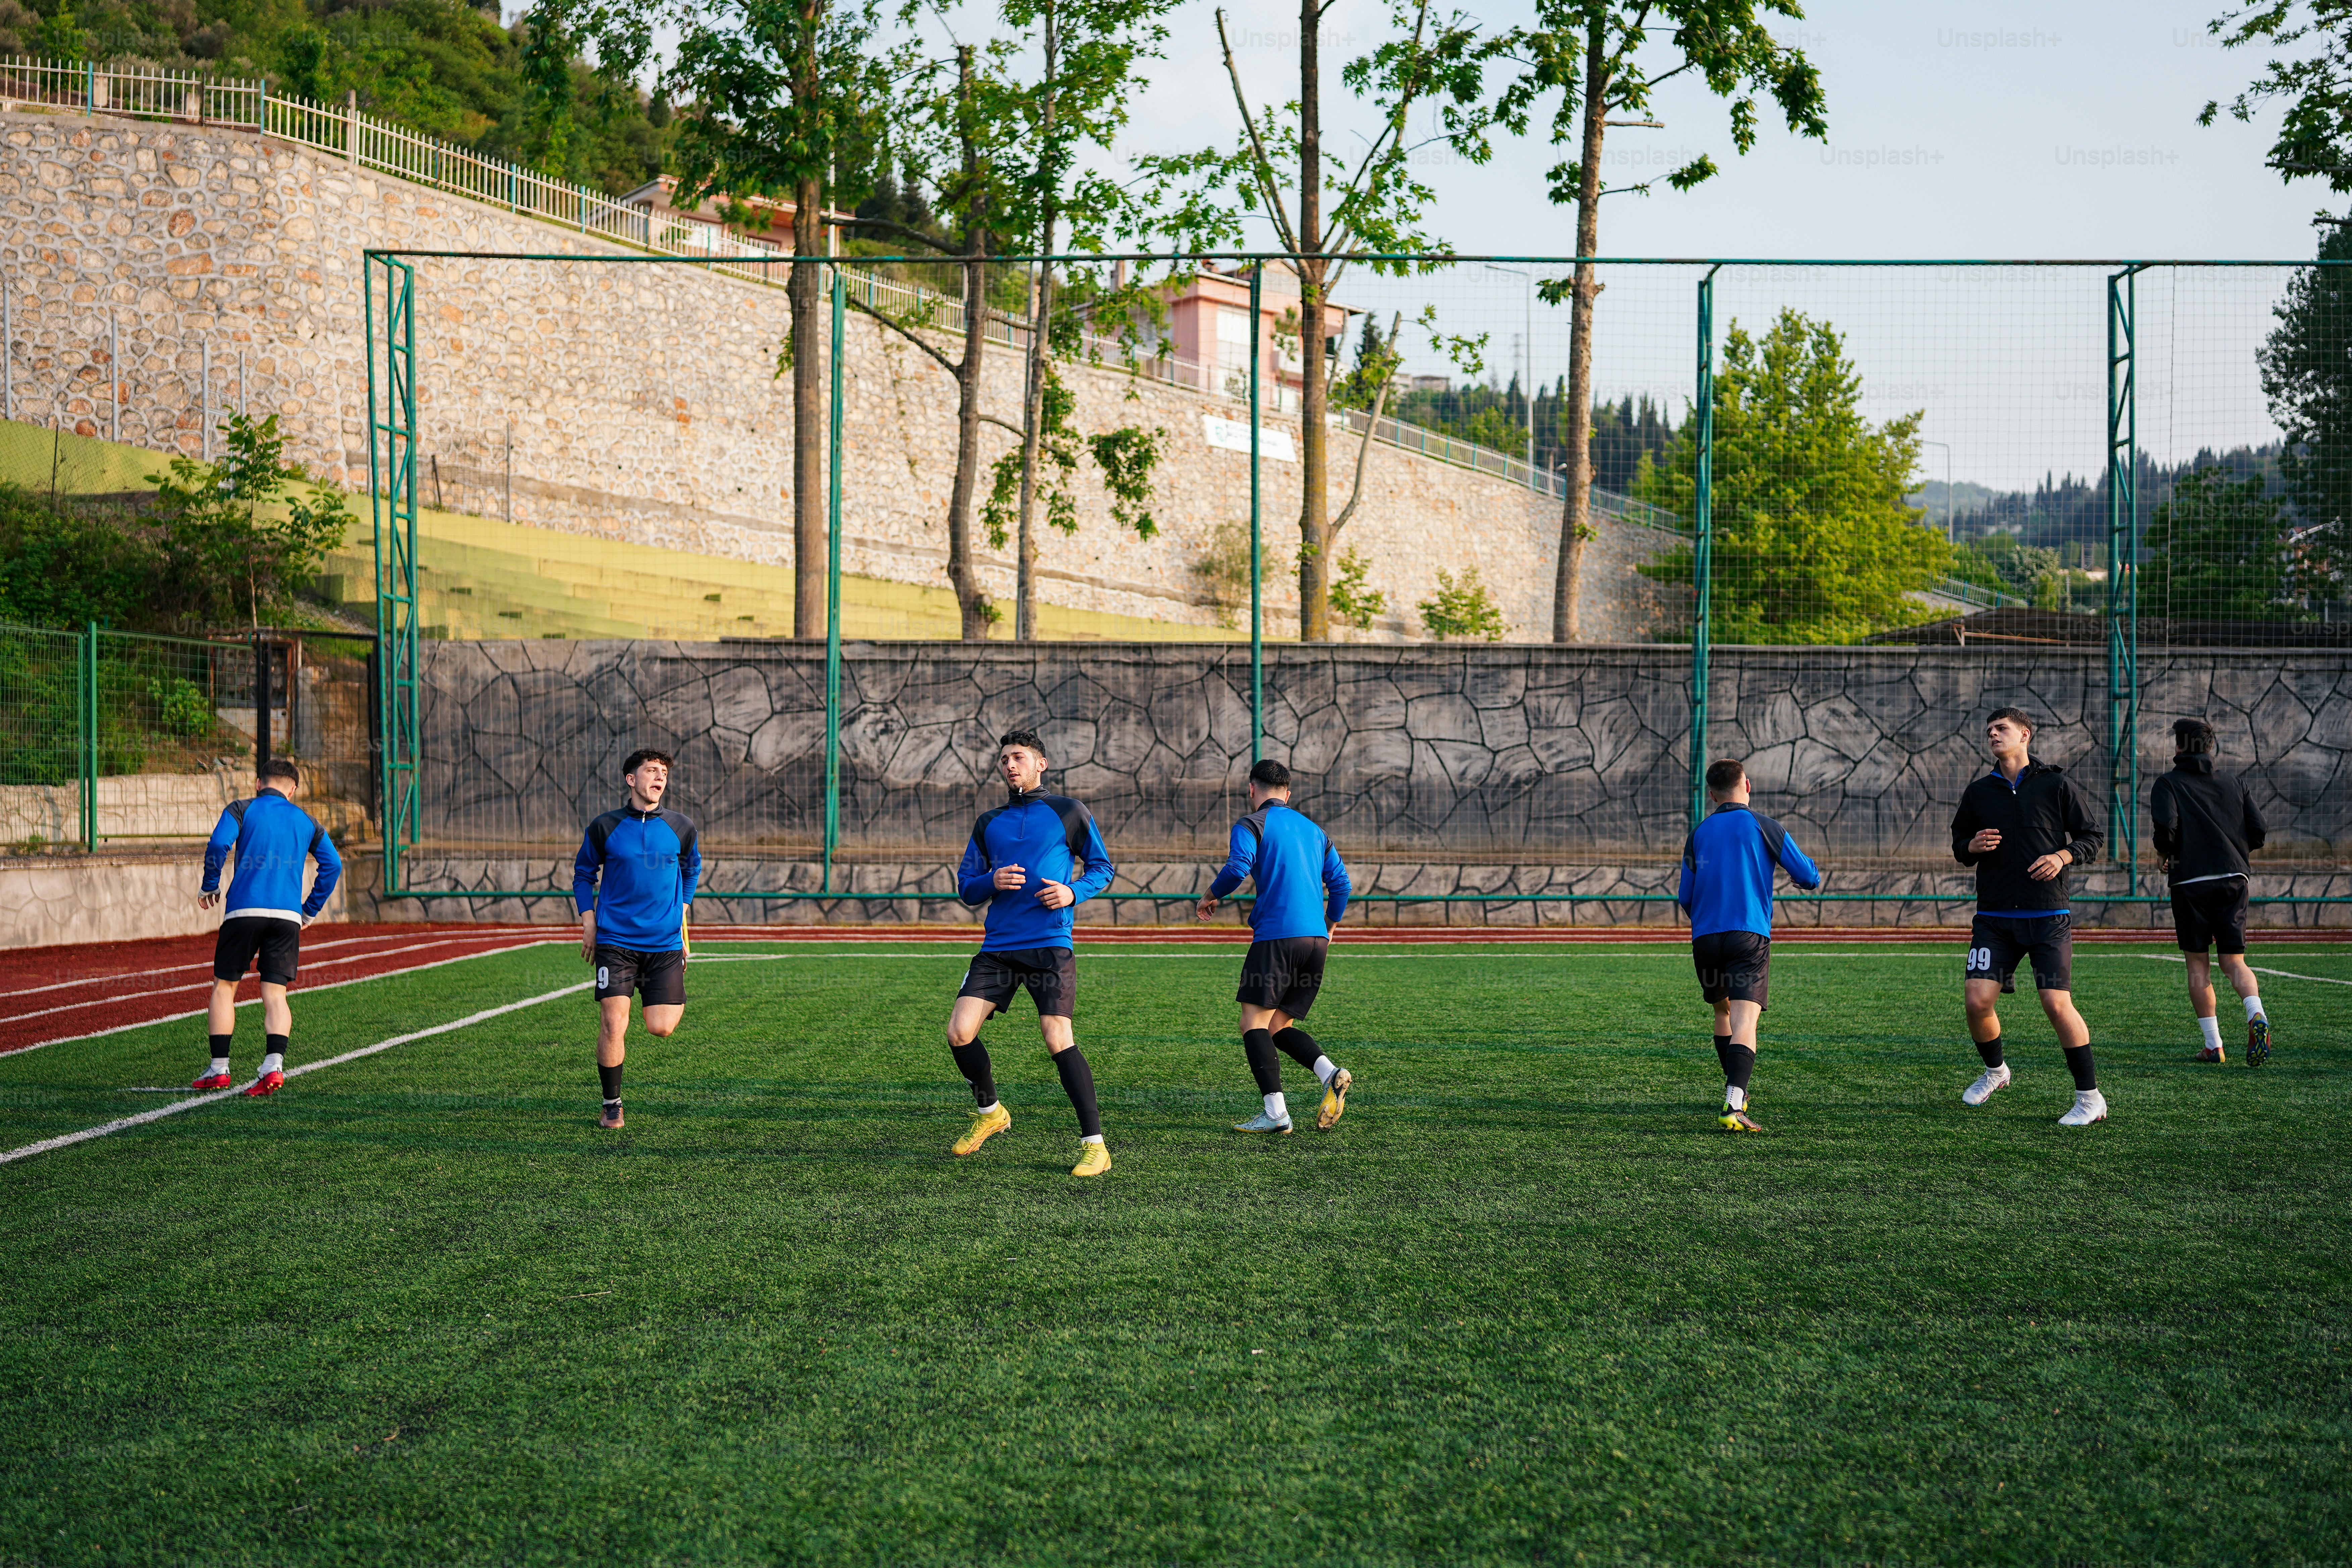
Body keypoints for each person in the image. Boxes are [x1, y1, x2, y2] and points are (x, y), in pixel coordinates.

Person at [946, 729, 1117, 1177]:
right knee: (960, 1033)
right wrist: (992, 881)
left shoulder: (1068, 812)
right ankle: (991, 1115)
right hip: (998, 947)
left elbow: (1102, 867)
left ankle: (1096, 1146)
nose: (1009, 765)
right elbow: (967, 887)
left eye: (1018, 757)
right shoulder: (989, 822)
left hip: (1049, 945)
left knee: (1057, 1036)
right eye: (1004, 759)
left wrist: (1072, 892)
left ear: (1041, 763)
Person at [1950, 707, 2108, 1126]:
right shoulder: (1980, 792)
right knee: (1976, 1001)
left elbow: (2093, 836)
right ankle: (1996, 1072)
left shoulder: (2056, 784)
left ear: (2025, 734)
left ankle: (2091, 1099)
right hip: (1995, 918)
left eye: (2001, 729)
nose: (1993, 735)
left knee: (2057, 1005)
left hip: (2048, 916)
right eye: (1989, 731)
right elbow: (1959, 843)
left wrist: (2063, 855)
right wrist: (1972, 846)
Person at [1195, 758, 1355, 1134]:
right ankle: (1330, 1073)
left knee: (1252, 1022)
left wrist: (1209, 894)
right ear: (1289, 793)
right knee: (1278, 1025)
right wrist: (1329, 927)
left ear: (1252, 789)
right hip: (1315, 942)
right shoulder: (1316, 831)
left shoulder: (1252, 823)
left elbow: (1237, 868)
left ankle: (1276, 1114)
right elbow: (1343, 885)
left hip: (1277, 939)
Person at [1675, 758, 1822, 1133]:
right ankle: (1734, 1104)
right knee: (1745, 1020)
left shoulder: (1699, 833)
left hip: (1705, 939)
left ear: (1711, 794)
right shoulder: (1765, 826)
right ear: (1748, 785)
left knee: (1722, 1013)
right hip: (1748, 937)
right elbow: (1809, 876)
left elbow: (1685, 897)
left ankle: (1735, 1089)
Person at [192, 757, 344, 1096]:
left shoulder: (242, 808)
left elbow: (219, 845)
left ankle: (219, 1069)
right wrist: (309, 910)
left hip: (244, 911)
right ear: (292, 790)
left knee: (225, 987)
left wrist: (211, 883)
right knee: (275, 993)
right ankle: (273, 1066)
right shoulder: (307, 821)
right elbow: (333, 865)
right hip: (288, 917)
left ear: (259, 784)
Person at [573, 748, 699, 1130]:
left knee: (661, 1027)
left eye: (663, 772)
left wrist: (683, 909)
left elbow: (692, 868)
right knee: (614, 1023)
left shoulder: (681, 826)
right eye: (651, 771)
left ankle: (669, 984)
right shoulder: (605, 826)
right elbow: (583, 873)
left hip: (664, 944)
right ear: (632, 779)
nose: (659, 777)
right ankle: (612, 1104)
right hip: (616, 941)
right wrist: (590, 923)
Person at [2152, 717, 2273, 1066]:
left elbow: (2166, 827)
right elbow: (2259, 830)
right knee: (2234, 960)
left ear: (2179, 747)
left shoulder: (2168, 783)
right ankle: (2255, 1014)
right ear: (2209, 747)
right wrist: (2234, 853)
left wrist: (2168, 855)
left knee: (2198, 965)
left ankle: (2214, 1046)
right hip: (2235, 878)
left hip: (2190, 881)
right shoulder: (2235, 783)